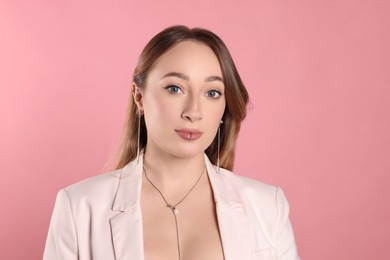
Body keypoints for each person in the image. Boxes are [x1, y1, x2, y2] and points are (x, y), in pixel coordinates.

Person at [43, 25, 300, 260]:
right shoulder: (79, 207)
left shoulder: (268, 207)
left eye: (212, 93)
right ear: (139, 97)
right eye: (175, 88)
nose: (193, 111)